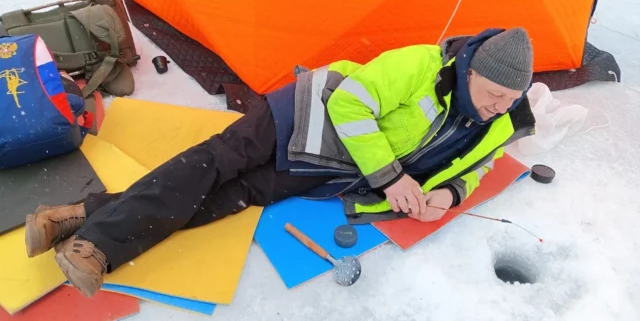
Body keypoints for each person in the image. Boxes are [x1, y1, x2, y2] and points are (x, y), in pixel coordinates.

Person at [25, 27, 536, 297]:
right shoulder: (422, 65)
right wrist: (393, 176)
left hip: (334, 165)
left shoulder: (502, 117)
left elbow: (479, 166)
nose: (497, 108)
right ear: (470, 70)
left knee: (235, 196)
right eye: (492, 94)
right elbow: (349, 103)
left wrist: (447, 195)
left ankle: (77, 216)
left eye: (508, 101)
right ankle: (97, 248)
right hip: (304, 115)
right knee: (216, 162)